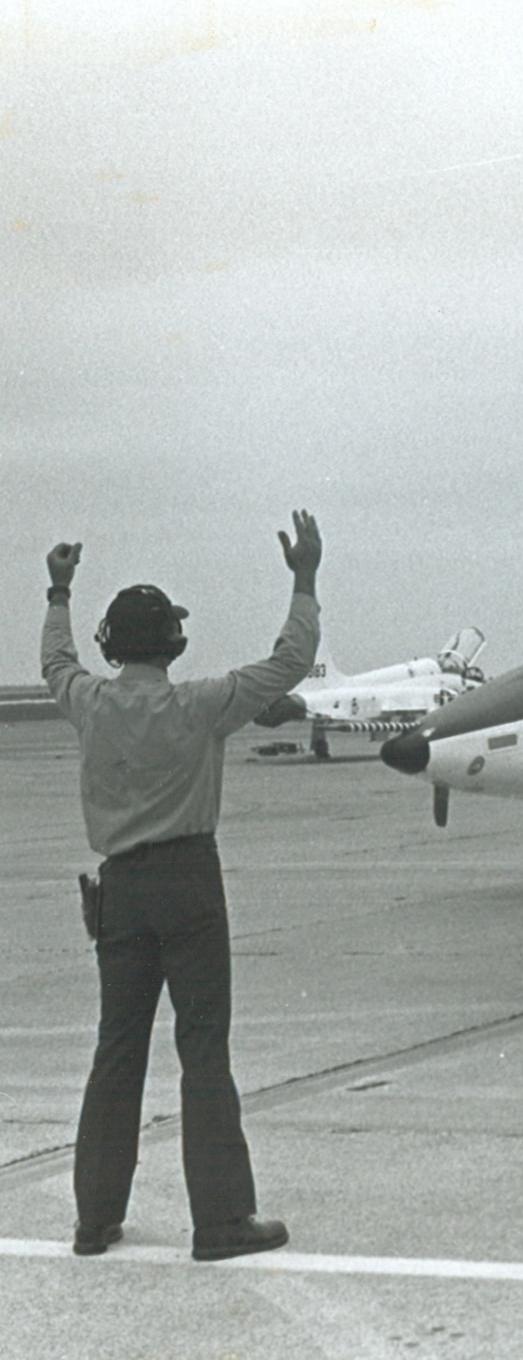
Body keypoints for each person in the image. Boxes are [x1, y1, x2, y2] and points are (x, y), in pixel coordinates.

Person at [42, 511, 322, 1261]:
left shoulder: (90, 702)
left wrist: (58, 590)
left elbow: (56, 663)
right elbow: (291, 660)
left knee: (115, 1049)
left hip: (121, 892)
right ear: (171, 642)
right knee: (204, 1051)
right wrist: (304, 577)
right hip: (190, 883)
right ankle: (222, 1220)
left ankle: (94, 1218)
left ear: (113, 642)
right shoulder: (202, 704)